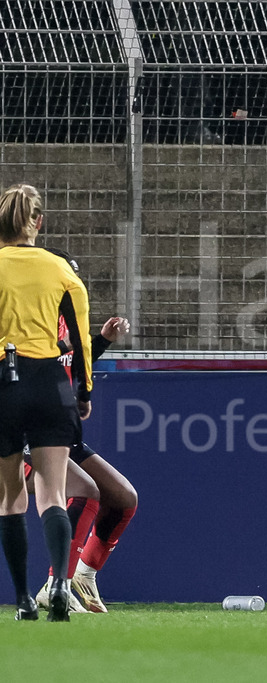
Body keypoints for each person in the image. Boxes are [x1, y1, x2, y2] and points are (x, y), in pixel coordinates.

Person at [0, 183, 92, 621]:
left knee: (10, 495)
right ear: (39, 222)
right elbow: (80, 338)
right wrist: (84, 392)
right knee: (53, 491)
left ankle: (22, 599)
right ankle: (59, 584)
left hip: (4, 381)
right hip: (51, 383)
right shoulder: (59, 269)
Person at [30, 312, 137, 614]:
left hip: (62, 432)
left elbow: (71, 363)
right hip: (28, 433)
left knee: (124, 499)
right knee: (84, 491)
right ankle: (56, 585)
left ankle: (83, 574)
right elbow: (25, 366)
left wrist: (101, 341)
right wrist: (63, 346)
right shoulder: (24, 312)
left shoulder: (64, 315)